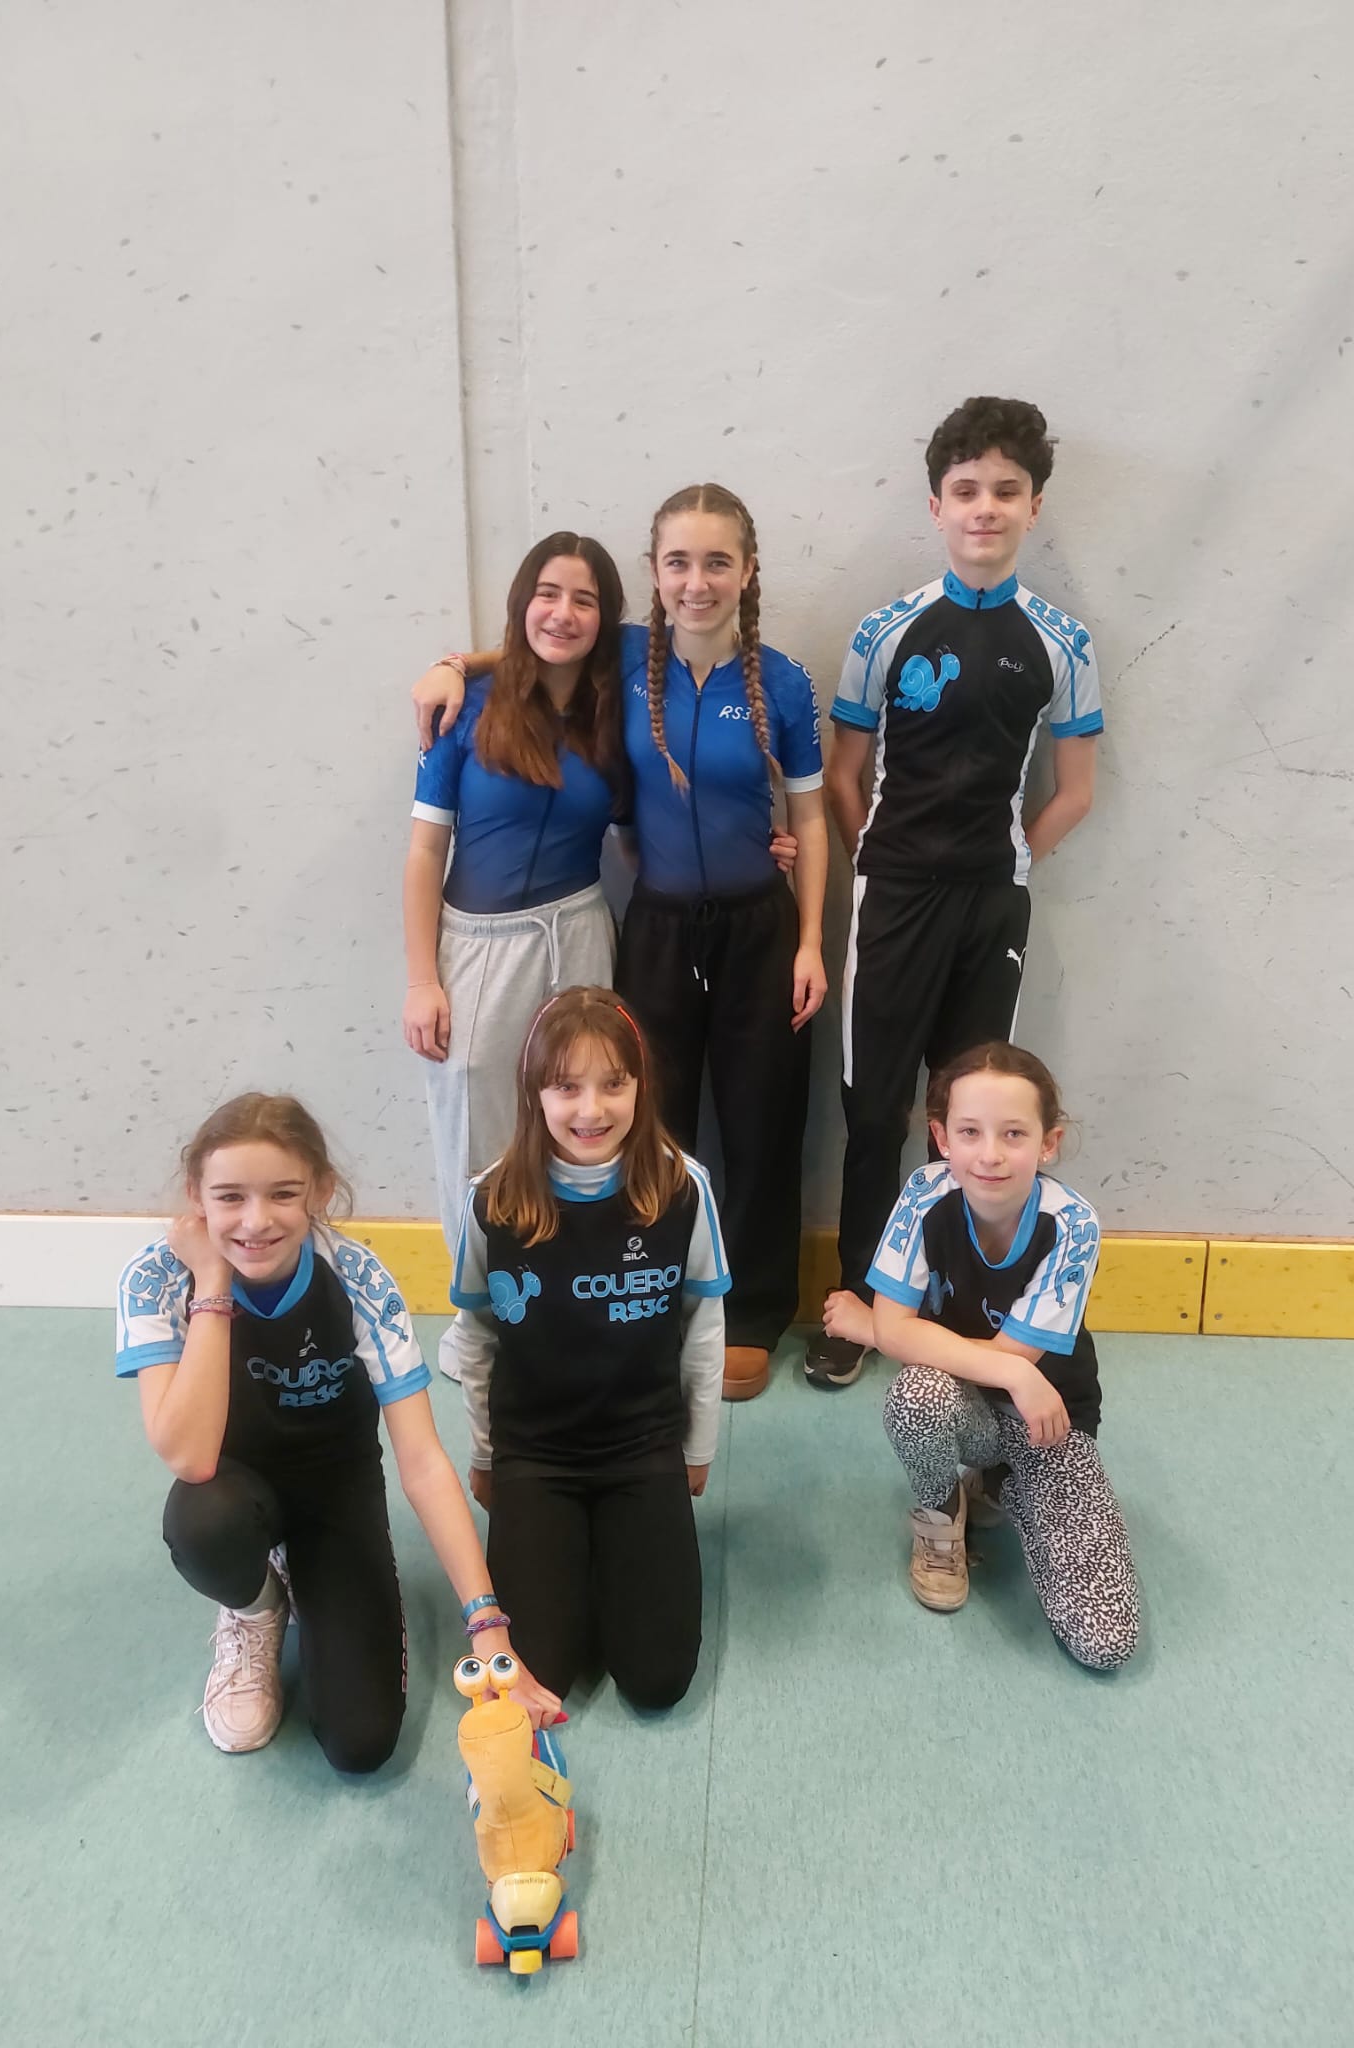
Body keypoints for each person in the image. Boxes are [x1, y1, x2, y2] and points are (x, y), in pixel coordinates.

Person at [413, 484, 827, 1402]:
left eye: (717, 562)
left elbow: (810, 817)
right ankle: (652, 1297)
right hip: (654, 926)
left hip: (756, 925)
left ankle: (754, 1314)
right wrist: (453, 664)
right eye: (678, 562)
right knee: (645, 1122)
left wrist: (810, 939)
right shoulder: (633, 658)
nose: (696, 582)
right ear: (654, 573)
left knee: (760, 1122)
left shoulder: (783, 681)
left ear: (748, 571)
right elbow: (541, 641)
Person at [115, 1092, 558, 1768]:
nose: (256, 1221)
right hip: (231, 1487)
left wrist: (487, 1623)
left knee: (361, 1744)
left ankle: (316, 1582)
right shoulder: (156, 1279)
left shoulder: (358, 1280)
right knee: (203, 1522)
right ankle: (257, 1607)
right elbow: (189, 1456)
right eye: (230, 1197)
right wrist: (212, 1283)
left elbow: (422, 1461)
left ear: (321, 1191)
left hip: (335, 1490)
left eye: (283, 1194)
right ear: (195, 1196)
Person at [807, 397, 1103, 1390]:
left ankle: (955, 1310)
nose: (986, 507)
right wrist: (880, 857)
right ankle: (859, 1304)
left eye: (1006, 491)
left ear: (1034, 506)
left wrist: (1012, 858)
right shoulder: (884, 628)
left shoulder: (1063, 641)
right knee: (874, 1112)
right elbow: (843, 775)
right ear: (936, 505)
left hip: (991, 906)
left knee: (970, 1115)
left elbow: (1075, 791)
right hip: (892, 898)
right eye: (966, 490)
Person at [447, 987, 729, 1710]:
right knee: (542, 1667)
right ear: (534, 1093)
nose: (591, 1109)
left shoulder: (682, 1187)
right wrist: (486, 1456)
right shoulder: (492, 1199)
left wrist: (697, 1448)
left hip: (643, 1445)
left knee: (657, 1680)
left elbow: (704, 1327)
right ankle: (580, 1551)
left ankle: (615, 1549)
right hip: (535, 1454)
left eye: (613, 1084)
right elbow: (475, 1340)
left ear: (641, 1087)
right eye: (566, 1086)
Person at [404, 532, 627, 1387]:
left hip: (580, 936)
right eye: (547, 593)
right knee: (476, 1138)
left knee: (584, 1125)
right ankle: (480, 1322)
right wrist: (423, 979)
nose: (562, 613)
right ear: (520, 602)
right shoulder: (464, 711)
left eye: (584, 599)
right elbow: (424, 853)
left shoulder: (617, 709)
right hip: (477, 947)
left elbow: (640, 838)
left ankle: (569, 1307)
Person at [868, 1043, 1139, 1670]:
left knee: (1104, 1641)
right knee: (916, 1395)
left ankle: (1000, 1486)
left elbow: (907, 1333)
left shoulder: (1072, 1224)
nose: (989, 1154)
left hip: (1048, 1420)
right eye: (969, 1132)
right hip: (969, 1401)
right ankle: (943, 1510)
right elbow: (907, 1336)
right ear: (941, 1138)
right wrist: (894, 1332)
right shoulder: (925, 1193)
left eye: (1013, 1133)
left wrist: (883, 1329)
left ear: (1049, 1143)